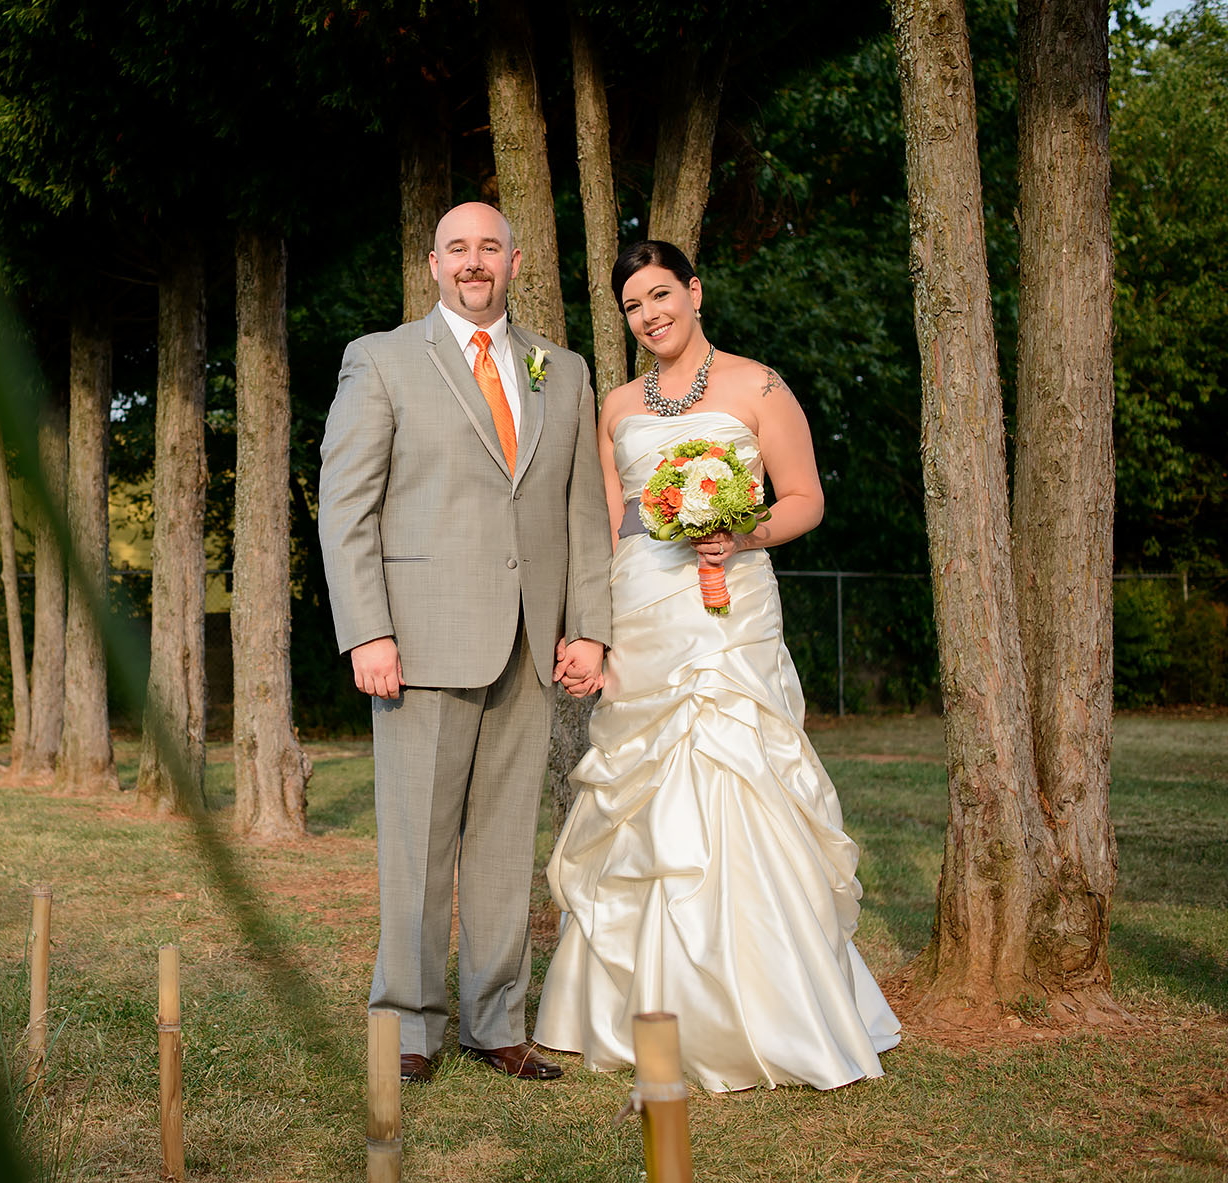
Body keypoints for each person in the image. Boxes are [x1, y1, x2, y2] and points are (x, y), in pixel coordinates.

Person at [532, 238, 901, 1091]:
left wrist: (746, 532)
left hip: (729, 610)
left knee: (739, 777)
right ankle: (633, 1011)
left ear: (695, 292)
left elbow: (805, 496)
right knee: (647, 795)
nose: (650, 313)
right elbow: (610, 523)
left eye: (662, 294)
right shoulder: (616, 405)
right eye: (633, 305)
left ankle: (774, 1008)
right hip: (644, 613)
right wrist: (597, 630)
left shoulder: (757, 384)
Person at [319, 201, 613, 1084]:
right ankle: (408, 1027)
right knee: (417, 843)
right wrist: (367, 629)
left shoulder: (560, 370)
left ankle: (496, 1021)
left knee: (501, 840)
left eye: (490, 246)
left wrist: (589, 627)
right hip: (418, 643)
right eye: (458, 248)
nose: (474, 261)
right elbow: (346, 507)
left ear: (516, 262)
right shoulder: (380, 360)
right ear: (433, 265)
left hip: (530, 643)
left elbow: (583, 512)